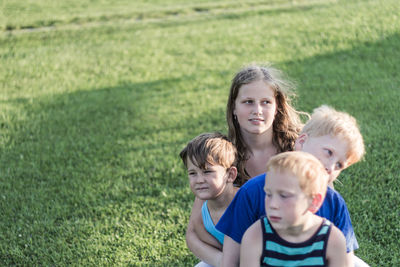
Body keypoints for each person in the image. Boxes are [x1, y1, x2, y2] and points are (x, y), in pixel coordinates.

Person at [217, 105, 368, 267]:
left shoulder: (334, 202)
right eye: (328, 152)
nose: (330, 167)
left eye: (339, 165)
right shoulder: (254, 190)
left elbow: (344, 258)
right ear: (302, 142)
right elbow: (232, 256)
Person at [186, 64, 306, 266]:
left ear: (277, 107)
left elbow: (323, 204)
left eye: (266, 102)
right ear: (234, 107)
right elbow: (192, 234)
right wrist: (223, 260)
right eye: (248, 102)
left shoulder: (298, 148)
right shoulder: (220, 155)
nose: (257, 111)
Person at [240, 151, 348, 267]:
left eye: (284, 196)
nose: (273, 204)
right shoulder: (256, 236)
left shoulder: (332, 240)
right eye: (269, 194)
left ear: (314, 201)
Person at [180, 132, 239, 267]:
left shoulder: (242, 202)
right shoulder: (203, 210)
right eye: (193, 173)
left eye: (207, 172)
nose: (200, 180)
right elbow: (199, 234)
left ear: (230, 175)